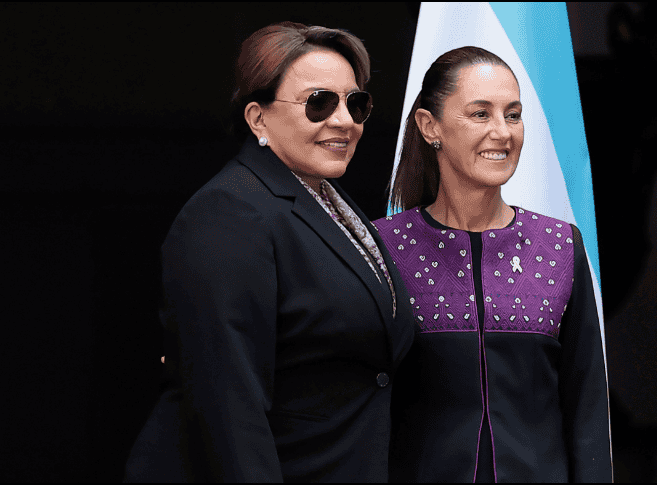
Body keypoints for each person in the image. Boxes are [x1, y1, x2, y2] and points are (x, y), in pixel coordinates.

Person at [124, 22, 415, 482]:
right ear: (258, 118)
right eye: (319, 102)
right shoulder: (229, 213)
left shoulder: (329, 203)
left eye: (356, 103)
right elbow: (228, 407)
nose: (343, 121)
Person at [374, 46, 612, 482]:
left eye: (514, 114)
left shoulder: (559, 245)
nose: (502, 132)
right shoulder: (384, 247)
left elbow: (588, 405)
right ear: (431, 127)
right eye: (480, 114)